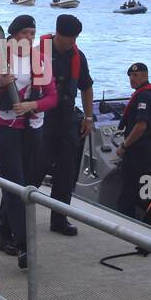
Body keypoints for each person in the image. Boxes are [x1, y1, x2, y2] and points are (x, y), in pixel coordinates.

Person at [0, 14, 57, 269]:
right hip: (5, 131)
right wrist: (1, 86)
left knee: (24, 185)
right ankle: (24, 247)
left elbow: (52, 97)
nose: (30, 38)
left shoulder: (41, 61)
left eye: (33, 34)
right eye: (25, 33)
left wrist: (32, 105)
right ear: (12, 36)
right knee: (17, 188)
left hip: (33, 131)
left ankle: (4, 234)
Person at [37, 14, 93, 236]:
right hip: (41, 120)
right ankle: (12, 223)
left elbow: (86, 87)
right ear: (57, 33)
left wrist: (88, 117)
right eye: (68, 37)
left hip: (67, 119)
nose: (71, 42)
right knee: (34, 171)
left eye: (75, 37)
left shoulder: (78, 56)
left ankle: (59, 219)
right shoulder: (37, 53)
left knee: (66, 173)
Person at [114, 63, 151, 219]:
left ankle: (125, 223)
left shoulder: (143, 96)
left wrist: (124, 145)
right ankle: (149, 220)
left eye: (135, 75)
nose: (132, 79)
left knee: (129, 191)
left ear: (145, 75)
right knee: (148, 190)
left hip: (137, 152)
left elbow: (140, 126)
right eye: (130, 76)